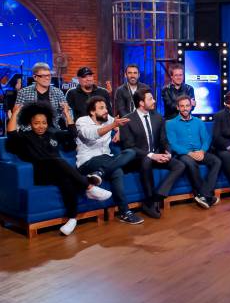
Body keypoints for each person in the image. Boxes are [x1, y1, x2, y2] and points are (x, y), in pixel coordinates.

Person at [5, 102, 111, 236]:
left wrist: (67, 115)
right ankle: (88, 186)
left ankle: (72, 219)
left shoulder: (52, 133)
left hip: (58, 172)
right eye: (36, 123)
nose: (41, 126)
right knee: (57, 160)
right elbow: (12, 135)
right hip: (41, 173)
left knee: (67, 179)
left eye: (44, 123)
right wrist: (15, 113)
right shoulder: (25, 137)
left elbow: (72, 135)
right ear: (30, 123)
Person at [75, 96, 143, 225]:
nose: (106, 110)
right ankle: (125, 212)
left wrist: (119, 131)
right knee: (117, 171)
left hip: (106, 159)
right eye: (101, 108)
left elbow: (120, 125)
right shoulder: (82, 121)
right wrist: (113, 125)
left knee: (131, 152)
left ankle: (100, 173)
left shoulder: (108, 119)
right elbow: (91, 135)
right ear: (92, 112)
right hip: (87, 161)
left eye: (106, 107)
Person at [120, 88, 186, 219]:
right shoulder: (127, 120)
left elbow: (164, 140)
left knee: (180, 165)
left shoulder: (158, 117)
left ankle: (155, 198)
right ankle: (150, 201)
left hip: (156, 156)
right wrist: (151, 155)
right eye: (150, 99)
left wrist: (168, 152)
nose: (154, 101)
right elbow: (129, 147)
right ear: (141, 103)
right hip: (137, 159)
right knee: (146, 160)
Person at [166, 95, 221, 209]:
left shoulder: (199, 122)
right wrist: (189, 153)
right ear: (177, 107)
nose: (185, 108)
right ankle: (207, 196)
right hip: (183, 154)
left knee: (217, 161)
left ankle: (204, 194)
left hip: (199, 152)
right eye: (182, 106)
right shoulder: (170, 123)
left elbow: (206, 139)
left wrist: (202, 151)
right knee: (191, 163)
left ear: (191, 107)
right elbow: (173, 144)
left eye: (187, 105)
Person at [15, 62, 66, 129]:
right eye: (43, 76)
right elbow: (17, 115)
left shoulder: (58, 92)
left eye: (49, 75)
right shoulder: (23, 92)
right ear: (35, 77)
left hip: (52, 129)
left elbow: (66, 112)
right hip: (30, 130)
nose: (47, 78)